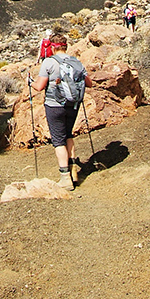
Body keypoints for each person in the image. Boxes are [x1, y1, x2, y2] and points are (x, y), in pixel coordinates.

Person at [32, 34, 92, 190]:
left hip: (54, 105)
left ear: (52, 47)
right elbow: (89, 83)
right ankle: (74, 173)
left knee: (58, 140)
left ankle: (65, 178)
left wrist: (30, 82)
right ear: (66, 46)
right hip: (73, 105)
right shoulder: (75, 61)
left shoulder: (49, 62)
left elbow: (39, 86)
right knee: (68, 135)